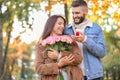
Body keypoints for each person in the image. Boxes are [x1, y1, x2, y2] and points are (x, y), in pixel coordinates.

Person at [64, 0, 106, 80]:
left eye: (77, 13)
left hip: (93, 76)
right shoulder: (67, 30)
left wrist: (85, 39)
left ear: (86, 12)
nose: (74, 16)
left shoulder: (96, 28)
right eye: (73, 13)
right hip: (73, 76)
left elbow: (102, 52)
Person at [35, 15, 83, 80]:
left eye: (63, 24)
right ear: (51, 25)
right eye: (59, 24)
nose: (62, 26)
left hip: (72, 76)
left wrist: (60, 55)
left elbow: (78, 58)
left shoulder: (69, 40)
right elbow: (38, 68)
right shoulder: (41, 45)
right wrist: (57, 65)